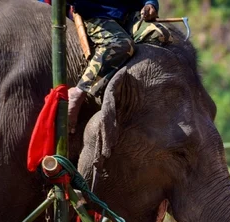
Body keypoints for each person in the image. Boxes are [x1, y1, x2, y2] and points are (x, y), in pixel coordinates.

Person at [67, 0, 171, 132]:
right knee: (122, 45)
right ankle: (79, 92)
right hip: (97, 15)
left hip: (130, 15)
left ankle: (133, 84)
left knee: (161, 35)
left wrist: (150, 5)